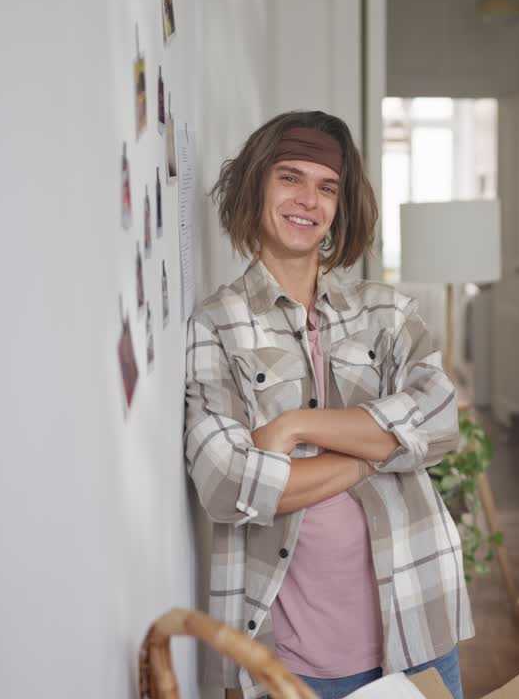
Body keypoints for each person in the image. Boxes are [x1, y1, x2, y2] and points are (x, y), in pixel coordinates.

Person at [184, 110, 470, 699]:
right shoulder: (216, 325)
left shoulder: (386, 313)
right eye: (290, 177)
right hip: (292, 654)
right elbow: (228, 484)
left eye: (326, 186)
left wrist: (295, 426)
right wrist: (381, 452)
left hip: (417, 622)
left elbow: (441, 419)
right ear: (257, 184)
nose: (307, 201)